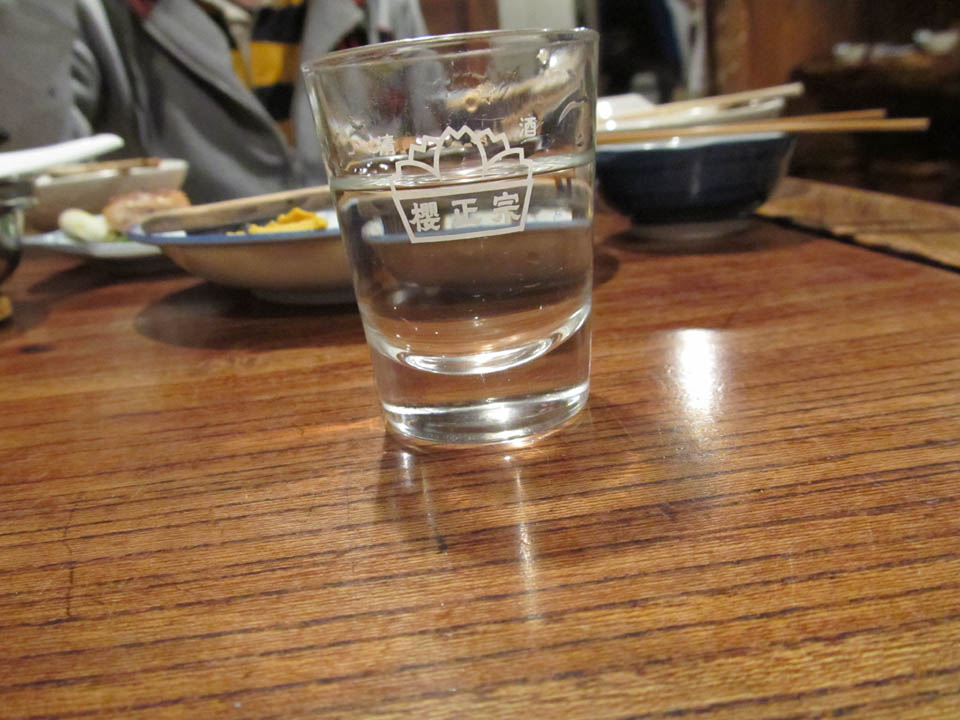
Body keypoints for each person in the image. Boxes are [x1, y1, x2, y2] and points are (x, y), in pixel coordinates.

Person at [1, 0, 427, 203]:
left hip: (377, 285)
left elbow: (441, 153)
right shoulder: (90, 13)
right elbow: (31, 185)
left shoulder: (381, 9)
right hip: (162, 303)